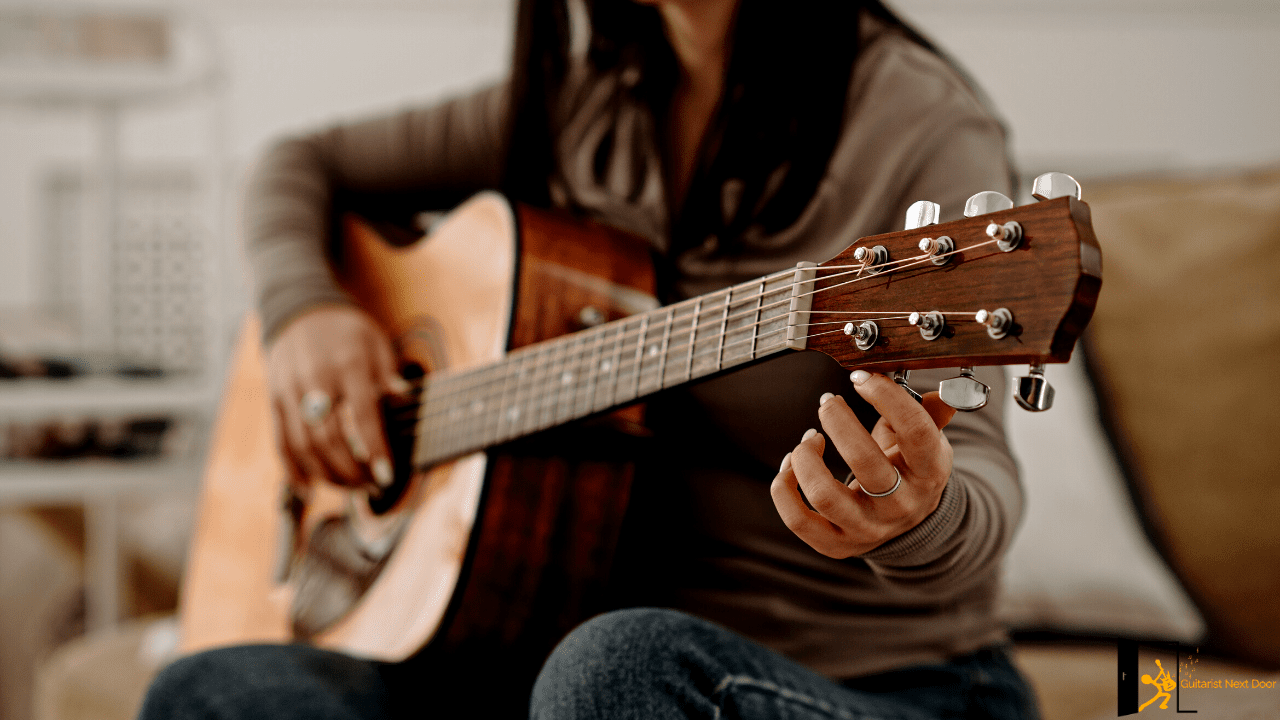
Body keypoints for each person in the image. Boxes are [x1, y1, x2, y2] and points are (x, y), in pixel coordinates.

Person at [139, 0, 1036, 718]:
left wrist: (914, 516)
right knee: (213, 690)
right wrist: (308, 312)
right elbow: (295, 165)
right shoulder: (586, 108)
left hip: (878, 688)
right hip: (548, 667)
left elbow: (983, 478)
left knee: (615, 666)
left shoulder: (917, 123)